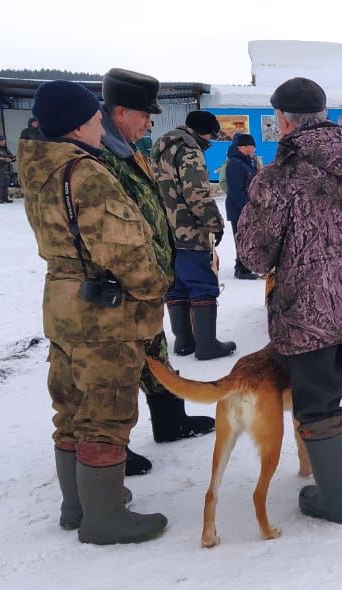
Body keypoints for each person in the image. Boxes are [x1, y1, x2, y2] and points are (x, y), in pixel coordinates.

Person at [237, 77, 342, 525]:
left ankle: (335, 500)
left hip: (311, 311)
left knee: (318, 402)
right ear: (324, 115)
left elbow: (253, 256)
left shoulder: (279, 177)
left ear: (283, 120)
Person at [19, 80, 169, 544]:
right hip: (100, 314)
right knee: (106, 411)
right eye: (92, 117)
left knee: (71, 408)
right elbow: (122, 251)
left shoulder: (39, 165)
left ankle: (78, 505)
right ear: (79, 122)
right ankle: (104, 520)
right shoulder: (86, 173)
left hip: (62, 301)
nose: (98, 123)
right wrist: (155, 287)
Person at [97, 68, 214, 476]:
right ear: (120, 111)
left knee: (154, 350)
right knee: (120, 366)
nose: (150, 122)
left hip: (146, 279)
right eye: (144, 114)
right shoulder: (98, 155)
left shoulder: (130, 149)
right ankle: (112, 447)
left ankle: (170, 420)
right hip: (120, 282)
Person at [152, 110, 238, 361]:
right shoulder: (189, 149)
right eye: (211, 136)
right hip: (189, 229)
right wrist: (214, 223)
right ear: (204, 132)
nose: (210, 142)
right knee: (202, 284)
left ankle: (184, 341)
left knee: (177, 285)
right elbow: (197, 193)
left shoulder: (162, 145)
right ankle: (207, 345)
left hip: (166, 230)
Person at [223, 132, 260, 280]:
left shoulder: (247, 162)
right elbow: (235, 190)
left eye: (252, 147)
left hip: (248, 207)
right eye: (247, 147)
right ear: (238, 147)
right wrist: (247, 208)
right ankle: (241, 269)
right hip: (239, 208)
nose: (250, 149)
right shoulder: (235, 164)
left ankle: (245, 265)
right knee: (242, 237)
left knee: (248, 237)